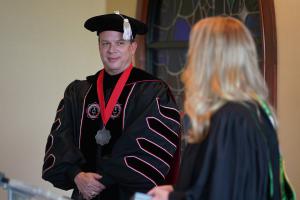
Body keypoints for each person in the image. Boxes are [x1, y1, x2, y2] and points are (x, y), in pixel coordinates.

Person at [148, 16, 295, 200]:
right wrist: (177, 192)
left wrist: (172, 199)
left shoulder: (230, 119)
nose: (189, 61)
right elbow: (225, 183)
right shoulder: (253, 111)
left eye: (194, 52)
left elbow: (223, 195)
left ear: (207, 61)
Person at [42, 12, 182, 200]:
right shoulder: (79, 92)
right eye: (105, 43)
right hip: (84, 193)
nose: (111, 50)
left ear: (133, 47)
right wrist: (76, 175)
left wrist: (99, 180)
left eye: (120, 43)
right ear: (98, 46)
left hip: (128, 196)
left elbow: (148, 149)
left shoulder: (152, 92)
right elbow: (61, 140)